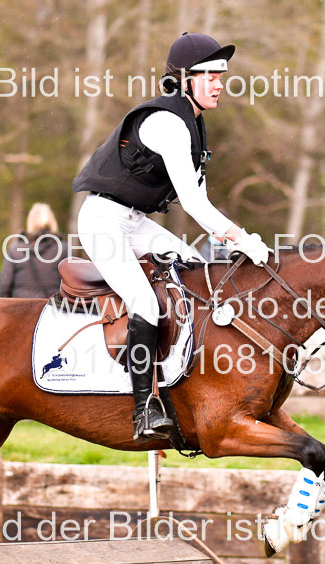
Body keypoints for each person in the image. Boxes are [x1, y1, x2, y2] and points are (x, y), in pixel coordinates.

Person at [73, 32, 271, 442]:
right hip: (103, 221)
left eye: (222, 76)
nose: (220, 83)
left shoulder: (193, 124)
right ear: (184, 79)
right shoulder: (167, 123)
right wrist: (243, 238)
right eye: (211, 76)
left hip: (134, 220)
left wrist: (229, 240)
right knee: (144, 300)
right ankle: (145, 407)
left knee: (196, 272)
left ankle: (188, 382)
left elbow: (196, 199)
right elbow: (196, 206)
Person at [0, 203, 64, 299]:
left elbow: (4, 285)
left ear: (30, 221)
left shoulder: (15, 249)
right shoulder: (63, 249)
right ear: (52, 221)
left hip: (21, 309)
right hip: (51, 308)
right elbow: (72, 285)